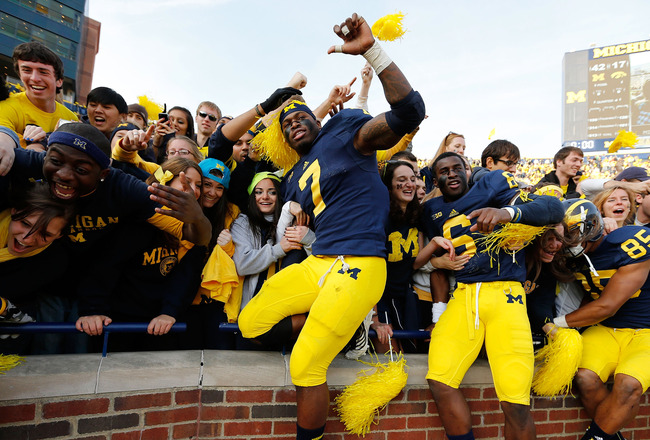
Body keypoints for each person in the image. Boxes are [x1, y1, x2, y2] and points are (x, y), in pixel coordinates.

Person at [238, 14, 426, 440]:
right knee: (251, 323)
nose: (293, 121)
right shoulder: (294, 175)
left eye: (301, 115)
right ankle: (347, 329)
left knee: (306, 364)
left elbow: (410, 110)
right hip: (318, 261)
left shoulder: (345, 133)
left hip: (358, 265)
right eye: (285, 123)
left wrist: (372, 52)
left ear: (320, 119)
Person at [421, 151, 564, 440]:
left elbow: (552, 208)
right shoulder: (431, 209)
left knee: (515, 401)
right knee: (439, 380)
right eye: (444, 171)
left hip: (506, 296)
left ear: (468, 170)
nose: (451, 174)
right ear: (436, 179)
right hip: (463, 296)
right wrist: (437, 262)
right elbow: (425, 256)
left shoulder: (495, 187)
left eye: (457, 168)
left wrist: (506, 213)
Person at [75, 158, 207, 352]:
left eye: (198, 185)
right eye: (186, 181)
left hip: (159, 324)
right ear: (165, 183)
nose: (193, 190)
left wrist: (169, 312)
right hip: (116, 322)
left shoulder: (195, 228)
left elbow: (186, 276)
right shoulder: (137, 219)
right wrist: (93, 310)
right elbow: (105, 266)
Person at [551, 199, 649, 440]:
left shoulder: (628, 242)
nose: (568, 242)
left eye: (574, 234)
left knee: (628, 384)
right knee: (584, 377)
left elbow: (607, 306)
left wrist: (558, 323)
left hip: (646, 330)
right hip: (606, 330)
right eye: (566, 235)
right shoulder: (573, 257)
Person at [0, 42, 78, 155]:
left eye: (43, 72)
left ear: (59, 81)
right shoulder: (6, 107)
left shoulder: (70, 117)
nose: (35, 78)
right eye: (26, 70)